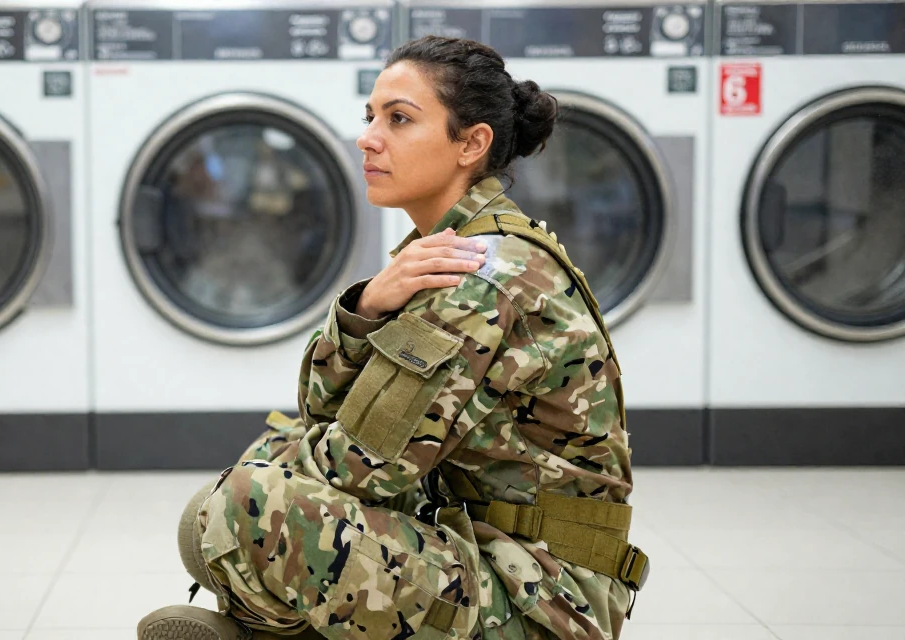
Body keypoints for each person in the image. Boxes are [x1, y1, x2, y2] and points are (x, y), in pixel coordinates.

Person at [137, 36, 648, 640]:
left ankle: (273, 631)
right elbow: (322, 415)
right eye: (370, 117)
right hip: (480, 542)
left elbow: (361, 465)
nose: (368, 138)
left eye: (399, 119)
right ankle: (278, 618)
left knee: (243, 501)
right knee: (264, 469)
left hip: (542, 598)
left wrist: (238, 495)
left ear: (471, 144)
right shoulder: (449, 250)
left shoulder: (481, 275)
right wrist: (365, 308)